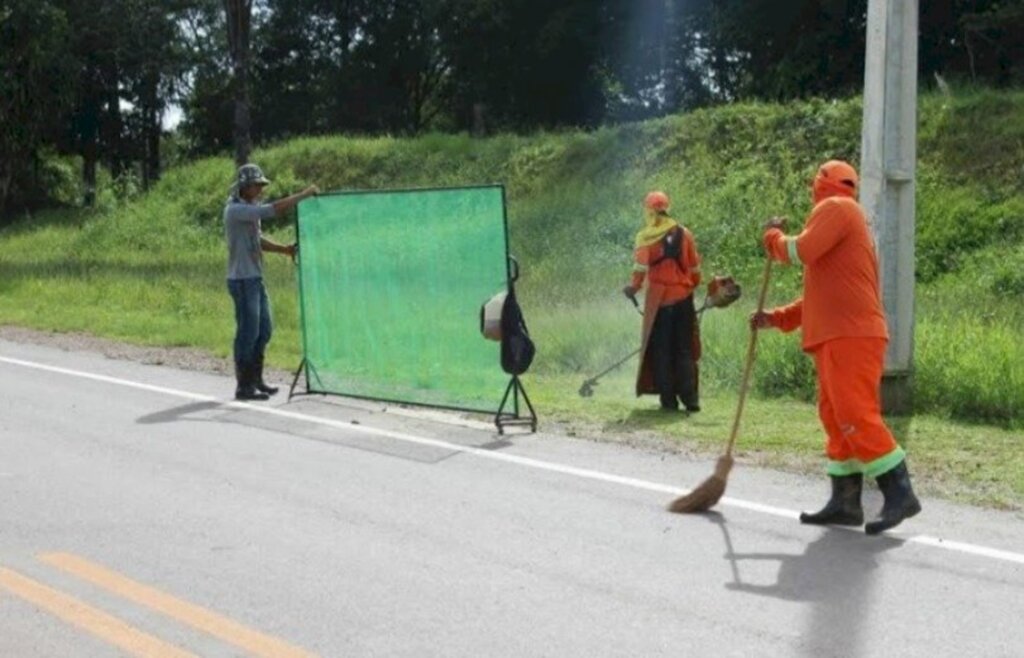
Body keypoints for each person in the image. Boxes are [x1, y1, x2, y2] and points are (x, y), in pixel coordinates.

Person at [751, 160, 921, 535]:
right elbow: (817, 297)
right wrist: (775, 317)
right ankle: (844, 502)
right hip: (839, 334)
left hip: (851, 335)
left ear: (820, 184)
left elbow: (801, 250)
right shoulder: (841, 219)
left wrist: (772, 239)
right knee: (834, 416)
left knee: (855, 413)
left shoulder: (837, 208)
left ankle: (900, 494)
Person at [224, 163, 318, 401]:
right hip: (242, 281)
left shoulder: (248, 208)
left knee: (263, 330)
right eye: (256, 185)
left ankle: (256, 380)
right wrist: (303, 195)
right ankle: (244, 386)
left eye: (261, 185)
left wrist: (284, 250)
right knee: (248, 332)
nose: (260, 189)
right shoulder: (235, 210)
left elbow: (258, 240)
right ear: (244, 187)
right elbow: (272, 210)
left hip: (254, 278)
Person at [623, 191, 702, 412]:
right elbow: (695, 269)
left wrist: (633, 288)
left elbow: (639, 271)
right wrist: (687, 287)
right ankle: (691, 400)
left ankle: (668, 401)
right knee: (685, 350)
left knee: (662, 351)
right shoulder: (685, 234)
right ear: (668, 207)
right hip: (683, 299)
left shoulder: (645, 237)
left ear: (648, 210)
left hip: (659, 301)